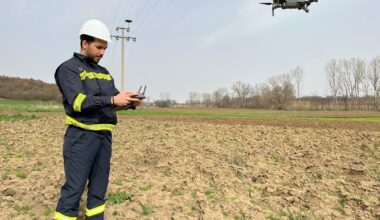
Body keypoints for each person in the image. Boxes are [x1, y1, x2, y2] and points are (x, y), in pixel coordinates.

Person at [53, 19, 141, 220]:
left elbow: (112, 102)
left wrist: (129, 103)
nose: (102, 52)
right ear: (85, 43)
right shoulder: (69, 69)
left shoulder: (104, 73)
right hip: (81, 137)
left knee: (99, 190)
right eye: (99, 47)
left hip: (104, 137)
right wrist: (112, 99)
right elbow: (78, 102)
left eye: (105, 48)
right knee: (74, 190)